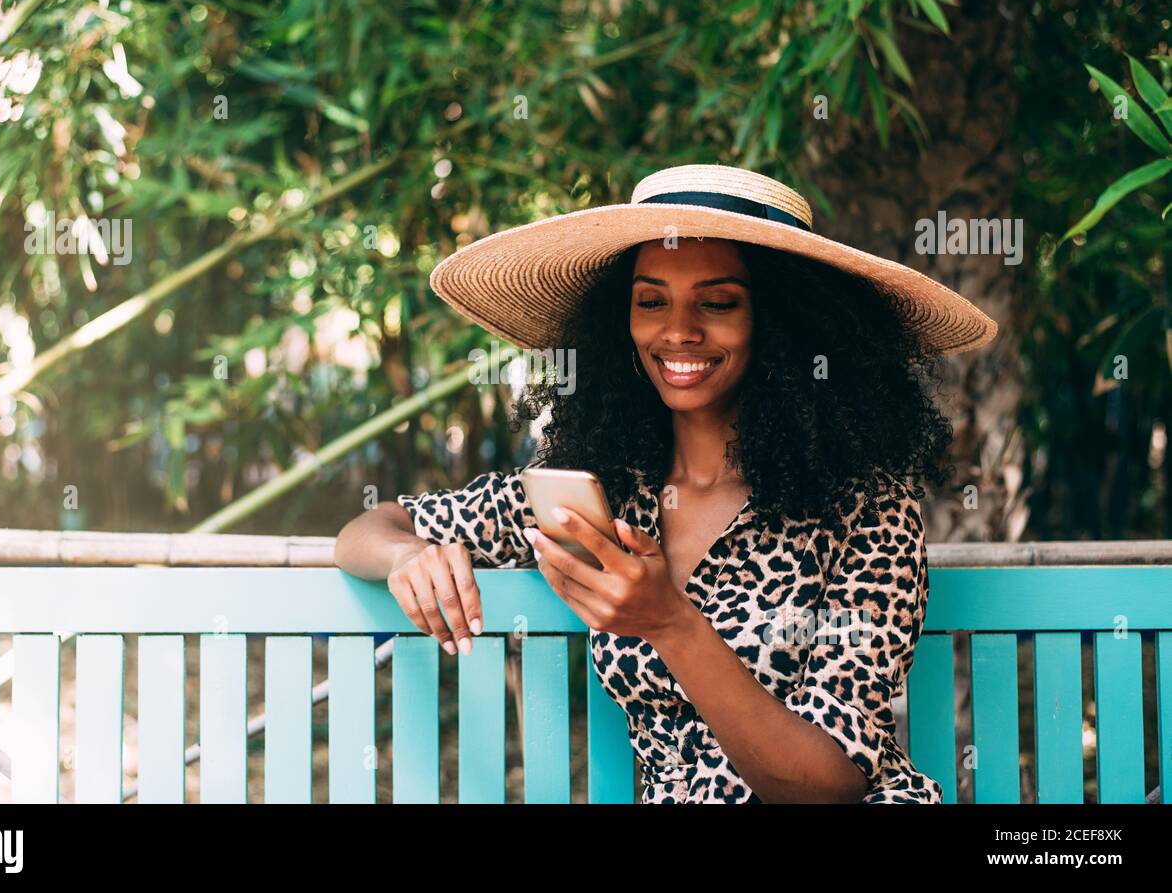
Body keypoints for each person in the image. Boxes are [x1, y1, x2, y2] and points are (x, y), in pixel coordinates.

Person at [335, 164, 997, 803]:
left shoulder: (864, 508)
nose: (678, 330)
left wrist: (669, 622)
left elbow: (829, 782)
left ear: (785, 324)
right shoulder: (602, 490)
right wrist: (408, 556)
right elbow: (367, 530)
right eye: (651, 300)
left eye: (718, 301)